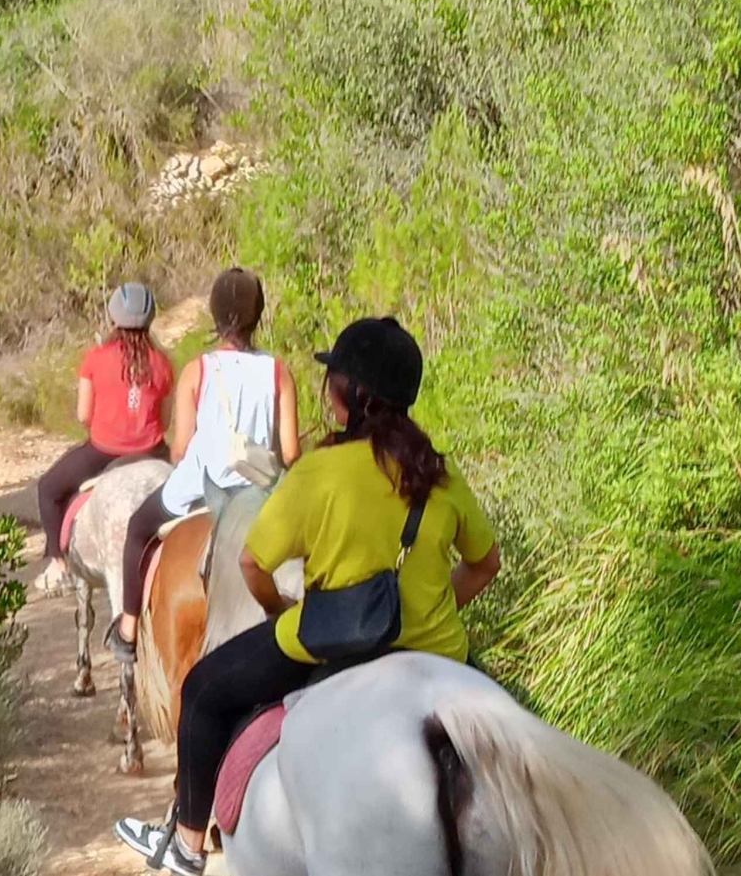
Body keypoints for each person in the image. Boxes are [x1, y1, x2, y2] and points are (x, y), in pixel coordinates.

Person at [112, 316, 503, 876]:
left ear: (354, 396)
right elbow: (485, 564)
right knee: (521, 727)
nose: (329, 389)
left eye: (335, 379)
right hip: (439, 650)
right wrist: (433, 609)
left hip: (329, 641)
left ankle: (188, 845)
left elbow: (252, 561)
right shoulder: (438, 473)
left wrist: (279, 611)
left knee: (201, 690)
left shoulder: (319, 471)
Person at [102, 267, 300, 663]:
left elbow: (179, 448)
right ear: (258, 315)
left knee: (139, 527)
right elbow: (292, 453)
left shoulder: (199, 369)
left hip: (198, 487)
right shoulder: (279, 372)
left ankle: (127, 627)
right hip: (257, 495)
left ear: (213, 314)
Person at [34, 283, 176, 594]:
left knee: (48, 489)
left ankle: (57, 563)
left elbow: (84, 415)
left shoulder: (95, 358)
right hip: (152, 452)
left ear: (112, 318)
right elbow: (165, 421)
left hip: (103, 452)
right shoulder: (163, 364)